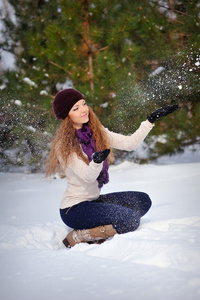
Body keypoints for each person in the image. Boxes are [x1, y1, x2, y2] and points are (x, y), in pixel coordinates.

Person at [46, 88, 178, 248]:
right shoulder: (64, 145)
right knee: (131, 220)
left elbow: (130, 143)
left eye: (84, 104)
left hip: (93, 202)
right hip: (74, 210)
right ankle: (81, 235)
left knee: (143, 201)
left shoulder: (97, 132)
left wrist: (150, 121)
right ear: (67, 115)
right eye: (76, 108)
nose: (83, 110)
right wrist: (96, 162)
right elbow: (87, 176)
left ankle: (104, 227)